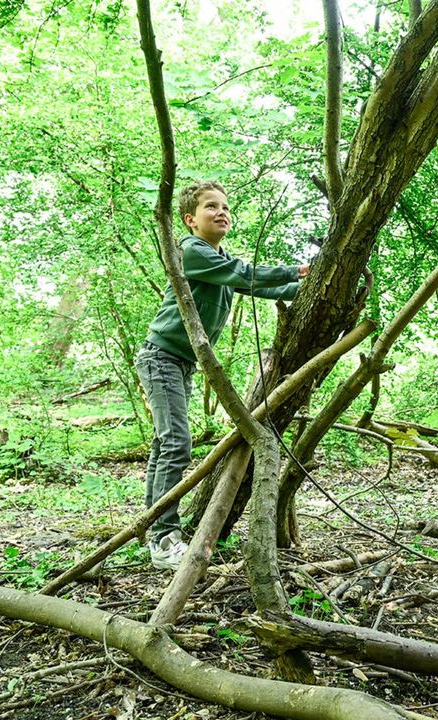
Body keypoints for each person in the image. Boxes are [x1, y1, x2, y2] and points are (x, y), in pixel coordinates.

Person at [135, 181, 309, 570]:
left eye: (226, 207)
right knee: (176, 442)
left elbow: (253, 284)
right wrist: (295, 269)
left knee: (165, 445)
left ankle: (152, 529)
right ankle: (164, 539)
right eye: (211, 207)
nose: (221, 212)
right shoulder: (191, 251)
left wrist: (306, 287)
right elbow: (243, 273)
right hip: (160, 357)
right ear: (190, 220)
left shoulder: (220, 259)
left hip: (180, 362)